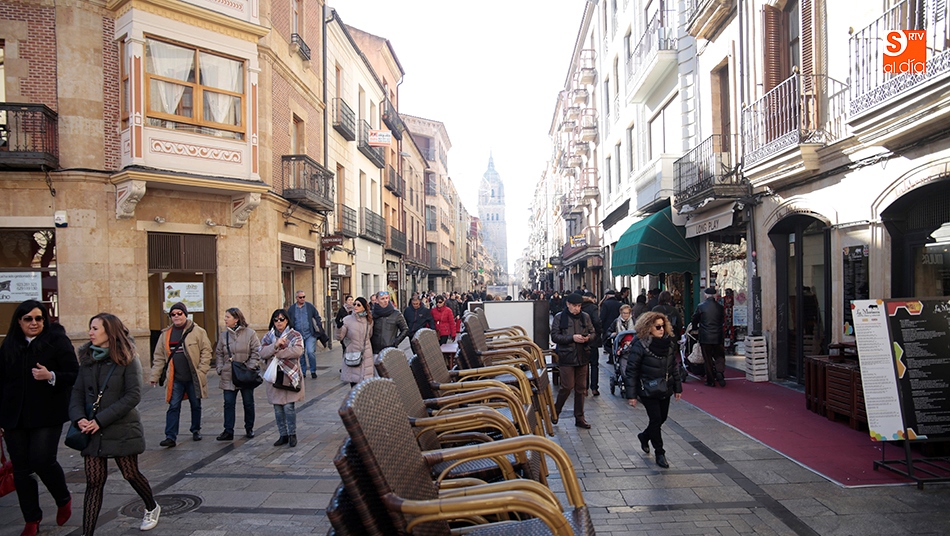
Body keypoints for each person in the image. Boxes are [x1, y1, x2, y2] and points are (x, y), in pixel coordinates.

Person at [72, 313, 160, 534]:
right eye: (90, 328)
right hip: (92, 430)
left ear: (109, 331)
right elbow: (77, 392)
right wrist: (79, 417)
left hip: (121, 428)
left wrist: (100, 420)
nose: (90, 333)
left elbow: (133, 396)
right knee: (94, 482)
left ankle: (151, 506)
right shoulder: (87, 358)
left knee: (130, 474)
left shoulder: (127, 357)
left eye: (95, 328)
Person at [0, 300, 78, 536]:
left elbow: (73, 374)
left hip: (47, 414)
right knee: (21, 469)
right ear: (19, 321)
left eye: (39, 318)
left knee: (42, 460)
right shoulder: (10, 344)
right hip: (14, 417)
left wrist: (51, 375)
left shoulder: (57, 341)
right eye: (28, 319)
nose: (34, 323)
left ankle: (63, 498)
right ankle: (31, 519)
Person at [622, 311, 683, 469]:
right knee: (655, 419)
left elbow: (673, 367)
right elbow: (631, 370)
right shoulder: (640, 345)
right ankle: (660, 452)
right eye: (657, 327)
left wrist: (677, 387)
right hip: (647, 388)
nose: (661, 329)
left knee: (662, 418)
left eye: (663, 326)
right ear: (648, 327)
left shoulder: (669, 344)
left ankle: (644, 436)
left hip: (665, 387)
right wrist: (631, 395)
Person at [149, 302, 213, 447]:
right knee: (173, 405)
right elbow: (159, 357)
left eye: (179, 313)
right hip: (175, 378)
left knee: (195, 404)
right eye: (173, 314)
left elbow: (206, 351)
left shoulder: (198, 331)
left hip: (193, 376)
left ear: (185, 314)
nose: (176, 316)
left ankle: (195, 429)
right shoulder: (165, 334)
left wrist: (202, 370)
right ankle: (170, 436)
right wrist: (154, 376)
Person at [213, 307, 261, 441]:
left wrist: (250, 367)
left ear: (236, 319)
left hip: (245, 374)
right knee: (228, 403)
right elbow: (219, 353)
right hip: (228, 374)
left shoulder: (250, 333)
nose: (225, 319)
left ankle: (249, 428)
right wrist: (220, 368)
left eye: (227, 317)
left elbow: (256, 351)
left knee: (248, 402)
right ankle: (228, 431)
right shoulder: (223, 335)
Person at [260, 309, 305, 448]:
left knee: (289, 407)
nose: (279, 322)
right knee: (277, 408)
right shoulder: (268, 337)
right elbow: (262, 352)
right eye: (276, 319)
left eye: (281, 319)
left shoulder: (295, 335)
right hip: (274, 376)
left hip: (290, 376)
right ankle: (283, 435)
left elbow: (297, 351)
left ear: (287, 320)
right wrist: (275, 345)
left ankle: (292, 434)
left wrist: (279, 353)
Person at [550, 292, 595, 429]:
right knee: (567, 386)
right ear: (568, 304)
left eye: (579, 306)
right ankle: (556, 410)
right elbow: (554, 336)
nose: (577, 309)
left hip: (583, 355)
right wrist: (572, 338)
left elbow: (593, 332)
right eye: (574, 306)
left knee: (581, 388)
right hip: (567, 356)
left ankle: (579, 417)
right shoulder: (559, 317)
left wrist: (588, 338)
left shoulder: (585, 317)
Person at [692, 287, 726, 387]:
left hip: (705, 336)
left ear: (705, 295)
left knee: (708, 359)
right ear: (715, 296)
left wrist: (695, 328)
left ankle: (710, 380)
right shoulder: (720, 307)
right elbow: (722, 320)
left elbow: (695, 319)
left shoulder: (701, 307)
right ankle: (719, 371)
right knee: (719, 356)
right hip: (718, 336)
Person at [291, 290, 328, 379]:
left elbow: (317, 316)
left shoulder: (309, 306)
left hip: (310, 334)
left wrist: (318, 325)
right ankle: (303, 371)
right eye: (300, 297)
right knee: (301, 354)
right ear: (296, 298)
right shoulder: (292, 309)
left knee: (310, 352)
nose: (302, 299)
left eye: (304, 297)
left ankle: (313, 370)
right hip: (298, 335)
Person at [337, 297, 374, 387]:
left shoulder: (369, 321)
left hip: (366, 354)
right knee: (354, 386)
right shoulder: (347, 320)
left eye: (358, 305)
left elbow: (369, 335)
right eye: (354, 304)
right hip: (353, 354)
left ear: (364, 307)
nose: (355, 306)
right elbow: (339, 337)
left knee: (366, 386)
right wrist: (339, 328)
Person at [580, 291, 603, 396]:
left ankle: (584, 388)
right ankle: (594, 388)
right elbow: (596, 321)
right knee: (594, 364)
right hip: (592, 339)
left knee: (584, 364)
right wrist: (598, 332)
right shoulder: (593, 308)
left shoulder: (579, 307)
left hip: (581, 339)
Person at [599, 290, 622, 365]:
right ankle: (613, 357)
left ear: (607, 296)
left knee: (607, 343)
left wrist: (601, 325)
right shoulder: (619, 304)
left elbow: (602, 316)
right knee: (615, 342)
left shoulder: (605, 304)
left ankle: (612, 356)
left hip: (607, 326)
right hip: (617, 325)